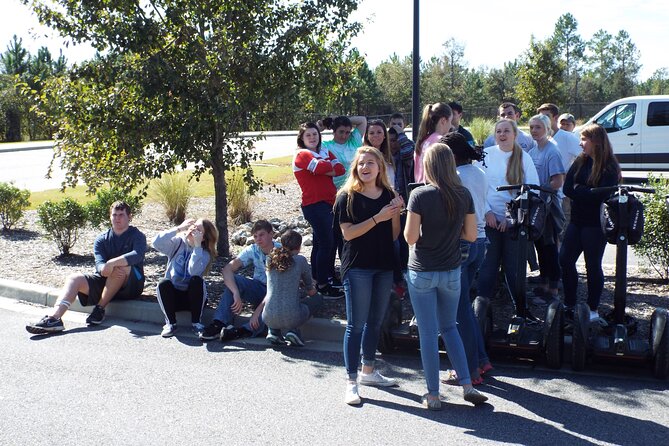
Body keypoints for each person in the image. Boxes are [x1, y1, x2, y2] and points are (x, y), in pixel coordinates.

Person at [404, 143, 488, 410]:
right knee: (450, 327)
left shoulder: (420, 195)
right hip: (452, 270)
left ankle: (433, 394)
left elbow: (410, 237)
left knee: (428, 334)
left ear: (428, 166)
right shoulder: (463, 194)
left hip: (423, 270)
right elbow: (472, 236)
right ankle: (466, 384)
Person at [333, 146, 404, 405]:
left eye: (371, 163)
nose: (365, 167)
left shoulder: (388, 194)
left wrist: (394, 213)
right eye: (361, 163)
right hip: (358, 267)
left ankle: (369, 371)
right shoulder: (347, 197)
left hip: (383, 265)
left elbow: (394, 234)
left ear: (380, 168)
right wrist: (378, 217)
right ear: (355, 168)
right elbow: (348, 234)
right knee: (356, 325)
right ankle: (351, 382)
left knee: (375, 322)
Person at [26, 201, 147, 334]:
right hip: (106, 281)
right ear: (110, 216)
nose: (117, 218)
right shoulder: (102, 239)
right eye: (114, 215)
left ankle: (99, 309)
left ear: (129, 216)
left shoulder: (137, 236)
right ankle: (54, 318)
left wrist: (112, 263)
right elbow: (99, 263)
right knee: (74, 278)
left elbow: (137, 255)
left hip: (131, 285)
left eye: (121, 215)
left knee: (120, 268)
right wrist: (103, 268)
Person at [440, 132, 493, 385]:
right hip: (480, 242)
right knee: (465, 306)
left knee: (458, 310)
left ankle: (469, 370)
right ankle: (481, 359)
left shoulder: (457, 177)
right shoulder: (477, 173)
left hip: (461, 242)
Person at [476, 119, 539, 316]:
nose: (502, 135)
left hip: (514, 223)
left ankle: (521, 311)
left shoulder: (524, 158)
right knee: (488, 268)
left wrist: (510, 218)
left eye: (506, 131)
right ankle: (481, 311)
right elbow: (477, 187)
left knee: (514, 270)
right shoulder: (485, 156)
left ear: (515, 135)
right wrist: (487, 212)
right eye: (498, 131)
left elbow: (532, 191)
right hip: (489, 221)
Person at [559, 123, 621, 322]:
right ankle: (569, 303)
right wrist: (586, 190)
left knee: (592, 265)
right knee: (565, 259)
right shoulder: (580, 161)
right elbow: (568, 188)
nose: (581, 143)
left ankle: (592, 308)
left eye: (585, 139)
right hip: (577, 221)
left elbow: (601, 195)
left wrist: (581, 190)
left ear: (596, 142)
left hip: (595, 224)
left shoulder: (609, 166)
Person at [199, 220, 280, 342]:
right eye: (255, 236)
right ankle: (218, 324)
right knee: (235, 281)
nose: (258, 239)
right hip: (259, 288)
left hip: (276, 293)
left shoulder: (281, 251)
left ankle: (240, 331)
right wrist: (236, 292)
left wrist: (257, 312)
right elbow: (227, 270)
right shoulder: (253, 249)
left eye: (262, 234)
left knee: (271, 305)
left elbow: (276, 289)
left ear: (271, 234)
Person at [293, 122, 345, 298]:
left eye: (314, 134)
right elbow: (319, 167)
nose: (312, 137)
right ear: (302, 138)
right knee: (327, 243)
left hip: (328, 203)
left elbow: (340, 169)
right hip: (314, 205)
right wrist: (324, 166)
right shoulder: (301, 154)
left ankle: (324, 277)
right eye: (308, 135)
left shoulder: (323, 152)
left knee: (323, 243)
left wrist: (323, 167)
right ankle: (322, 285)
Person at [153, 218, 218, 337]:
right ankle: (170, 324)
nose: (192, 229)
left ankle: (196, 323)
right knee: (163, 283)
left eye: (198, 230)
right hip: (174, 297)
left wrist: (197, 247)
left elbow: (193, 271)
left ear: (203, 237)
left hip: (193, 299)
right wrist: (179, 228)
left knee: (196, 281)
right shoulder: (178, 243)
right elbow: (156, 242)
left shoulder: (204, 253)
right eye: (192, 226)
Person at [261, 229, 323, 347]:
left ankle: (274, 331)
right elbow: (311, 290)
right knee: (317, 299)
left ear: (282, 243)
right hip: (292, 317)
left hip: (268, 315)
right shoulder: (300, 260)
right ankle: (293, 331)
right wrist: (314, 292)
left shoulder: (270, 258)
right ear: (299, 247)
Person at [528, 114, 566, 303]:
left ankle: (553, 290)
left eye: (538, 127)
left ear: (546, 129)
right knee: (540, 247)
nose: (534, 131)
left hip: (548, 208)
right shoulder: (533, 150)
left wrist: (538, 189)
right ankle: (543, 285)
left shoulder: (552, 151)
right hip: (537, 206)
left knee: (550, 249)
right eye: (532, 127)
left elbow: (557, 181)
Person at [320, 115, 367, 190]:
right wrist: (322, 125)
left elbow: (363, 120)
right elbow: (308, 137)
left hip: (356, 188)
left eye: (347, 132)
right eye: (341, 132)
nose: (344, 136)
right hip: (335, 190)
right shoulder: (326, 146)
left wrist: (339, 118)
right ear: (334, 131)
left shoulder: (354, 141)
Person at [414, 102, 453, 183]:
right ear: (443, 120)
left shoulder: (423, 140)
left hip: (420, 189)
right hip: (434, 190)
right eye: (450, 121)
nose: (451, 126)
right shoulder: (441, 141)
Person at [387, 113, 415, 201]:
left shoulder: (408, 144)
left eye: (399, 124)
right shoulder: (383, 145)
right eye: (393, 124)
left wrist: (400, 134)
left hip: (403, 192)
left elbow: (407, 153)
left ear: (404, 125)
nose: (396, 127)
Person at [363, 119, 395, 186]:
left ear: (384, 135)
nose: (375, 135)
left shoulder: (391, 157)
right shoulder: (362, 157)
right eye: (371, 133)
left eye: (379, 132)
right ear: (367, 136)